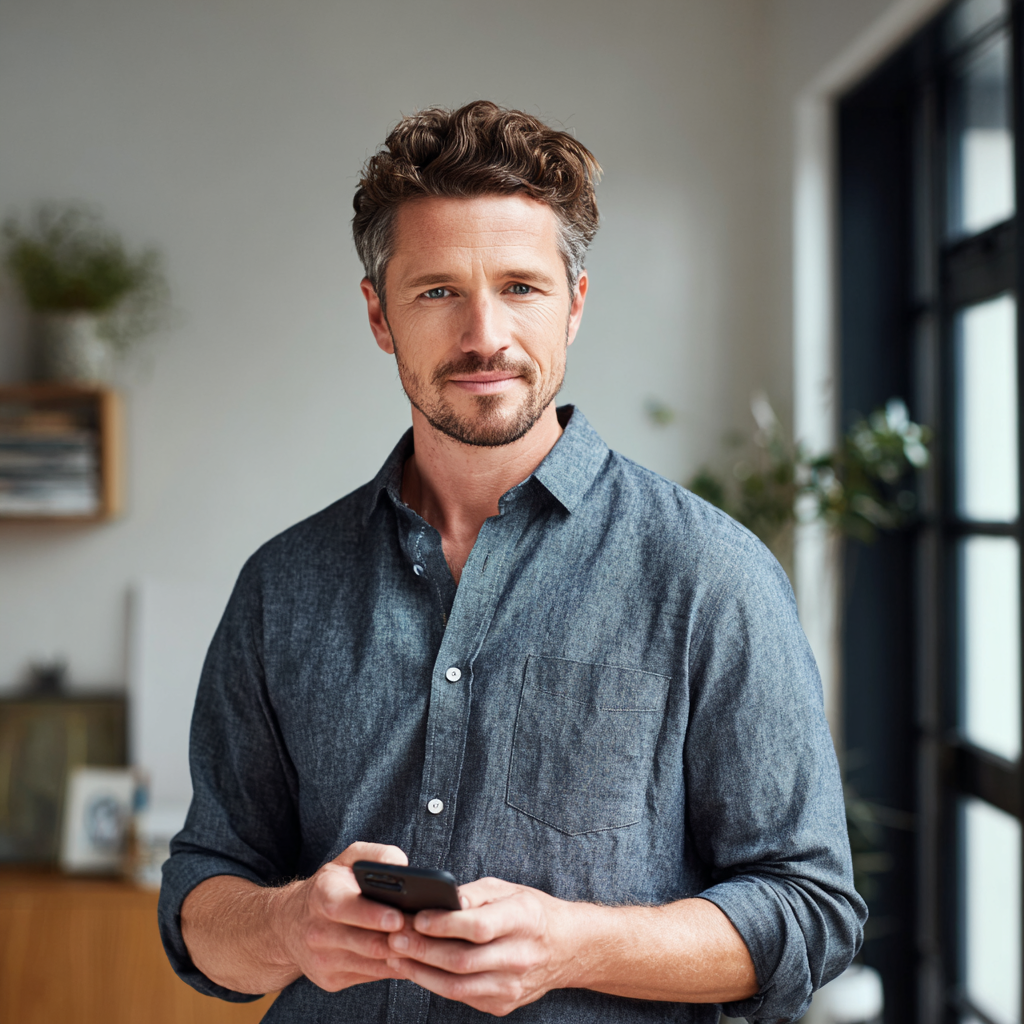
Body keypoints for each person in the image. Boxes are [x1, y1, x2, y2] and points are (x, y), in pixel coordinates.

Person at [159, 101, 866, 1023]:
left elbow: (812, 911)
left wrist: (577, 945)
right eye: (437, 292)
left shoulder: (712, 576)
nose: (483, 335)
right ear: (378, 314)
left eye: (521, 287)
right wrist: (288, 926)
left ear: (575, 305)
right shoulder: (281, 586)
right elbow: (203, 897)